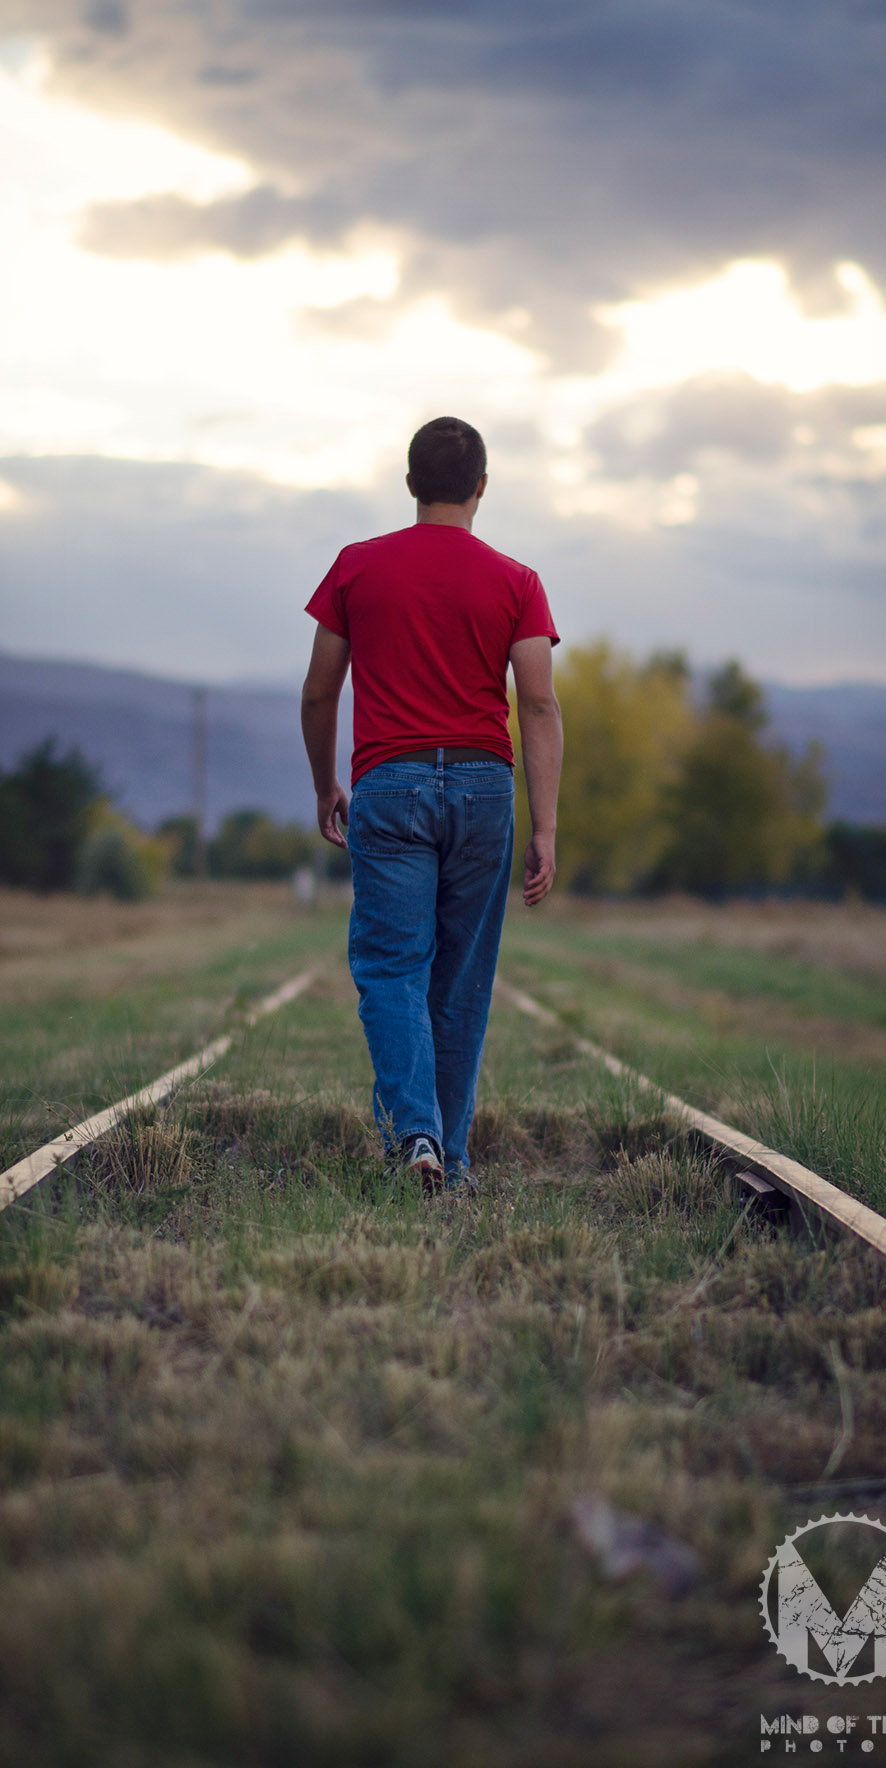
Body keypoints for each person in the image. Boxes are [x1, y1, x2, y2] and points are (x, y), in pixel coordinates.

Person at [301, 416, 562, 1193]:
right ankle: (449, 1158)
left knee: (391, 968)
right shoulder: (517, 582)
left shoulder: (356, 567)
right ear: (482, 486)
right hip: (484, 787)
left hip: (391, 783)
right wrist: (544, 826)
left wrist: (325, 786)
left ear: (412, 485)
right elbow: (539, 705)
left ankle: (417, 1136)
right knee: (460, 982)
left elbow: (319, 693)